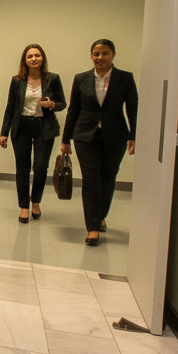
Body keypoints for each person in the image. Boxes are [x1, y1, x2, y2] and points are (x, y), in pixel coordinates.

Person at [61, 39, 138, 246]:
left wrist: (134, 136)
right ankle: (92, 227)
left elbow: (133, 108)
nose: (100, 57)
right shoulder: (81, 78)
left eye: (105, 53)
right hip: (85, 136)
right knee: (90, 179)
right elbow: (73, 109)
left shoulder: (125, 78)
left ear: (113, 55)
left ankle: (100, 214)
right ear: (91, 56)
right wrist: (65, 138)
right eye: (96, 54)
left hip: (116, 136)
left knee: (108, 177)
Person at [0, 43, 66, 224]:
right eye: (30, 56)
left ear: (42, 58)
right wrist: (3, 132)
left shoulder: (53, 79)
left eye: (37, 55)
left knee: (41, 168)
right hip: (22, 127)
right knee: (22, 169)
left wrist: (52, 105)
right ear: (25, 60)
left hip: (45, 127)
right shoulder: (17, 80)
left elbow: (62, 103)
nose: (34, 59)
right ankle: (24, 207)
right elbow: (10, 107)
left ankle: (35, 202)